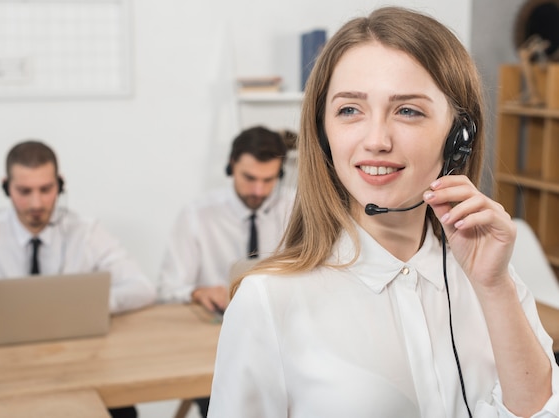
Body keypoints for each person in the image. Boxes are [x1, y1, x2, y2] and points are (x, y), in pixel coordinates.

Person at [208, 7, 559, 418]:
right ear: (323, 134)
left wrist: (495, 288)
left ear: (459, 137)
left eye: (408, 110)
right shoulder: (267, 300)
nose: (376, 140)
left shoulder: (497, 282)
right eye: (349, 110)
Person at [0, 140, 155, 418]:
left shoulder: (85, 231)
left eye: (46, 190)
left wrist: (92, 304)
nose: (36, 203)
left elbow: (142, 287)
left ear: (60, 185)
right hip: (1, 373)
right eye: (24, 191)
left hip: (79, 366)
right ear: (6, 188)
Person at [157, 125, 294, 417]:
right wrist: (197, 291)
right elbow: (168, 288)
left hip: (283, 338)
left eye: (269, 180)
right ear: (231, 166)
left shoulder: (298, 208)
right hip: (216, 346)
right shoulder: (197, 215)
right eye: (250, 178)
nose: (258, 191)